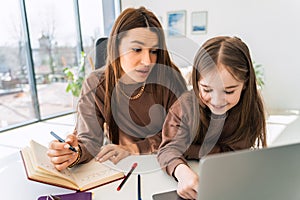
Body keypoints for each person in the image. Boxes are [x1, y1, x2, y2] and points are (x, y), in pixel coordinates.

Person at [47, 6, 187, 171]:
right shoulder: (96, 83)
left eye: (154, 51)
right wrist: (74, 153)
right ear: (116, 46)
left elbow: (181, 132)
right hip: (125, 167)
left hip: (170, 164)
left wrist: (134, 149)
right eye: (136, 49)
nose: (147, 61)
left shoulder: (170, 78)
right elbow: (89, 139)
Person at [157, 36, 267, 199]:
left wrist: (190, 150)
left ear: (245, 84)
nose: (217, 101)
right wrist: (181, 172)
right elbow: (168, 149)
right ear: (196, 82)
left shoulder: (251, 109)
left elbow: (236, 154)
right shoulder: (185, 106)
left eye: (229, 91)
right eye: (207, 90)